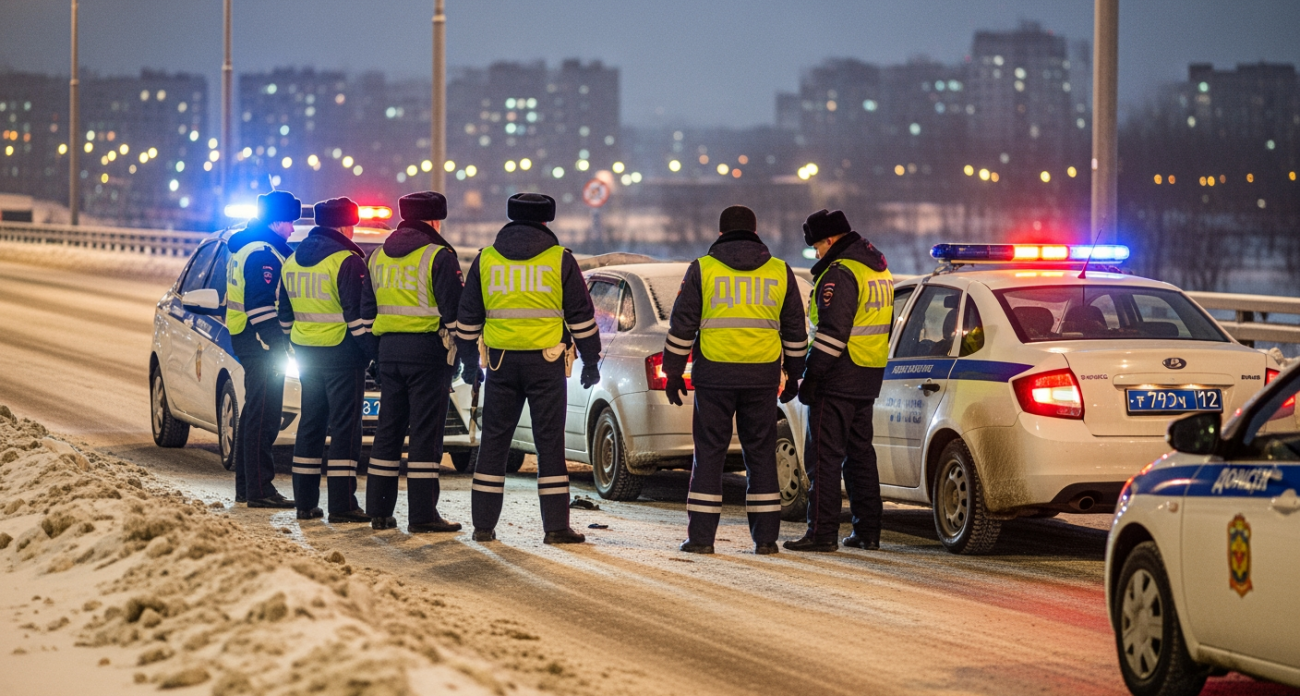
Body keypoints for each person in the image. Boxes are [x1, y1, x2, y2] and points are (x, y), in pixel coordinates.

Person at [661, 205, 807, 555]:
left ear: (721, 232)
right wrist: (795, 373)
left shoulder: (703, 269)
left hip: (715, 376)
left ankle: (700, 539)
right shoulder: (780, 272)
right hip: (762, 378)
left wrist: (673, 371)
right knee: (760, 456)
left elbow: (682, 326)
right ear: (755, 232)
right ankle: (766, 540)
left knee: (708, 454)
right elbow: (795, 331)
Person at [455, 193, 600, 544]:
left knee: (493, 444)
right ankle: (555, 528)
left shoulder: (486, 260)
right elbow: (581, 317)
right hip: (546, 363)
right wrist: (591, 360)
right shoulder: (559, 260)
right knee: (549, 445)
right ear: (545, 222)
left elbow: (468, 319)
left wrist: (468, 362)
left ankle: (483, 527)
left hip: (501, 364)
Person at [784, 209, 892, 553]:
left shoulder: (840, 274)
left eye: (817, 247)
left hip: (837, 376)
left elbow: (832, 335)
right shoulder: (876, 268)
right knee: (860, 455)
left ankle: (822, 532)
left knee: (824, 459)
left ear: (830, 241)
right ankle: (867, 531)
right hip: (868, 372)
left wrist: (811, 377)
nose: (817, 254)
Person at [363, 191, 464, 533]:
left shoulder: (377, 256)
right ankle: (422, 515)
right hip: (428, 356)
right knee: (425, 435)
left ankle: (378, 511)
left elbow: (367, 312)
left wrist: (375, 354)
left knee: (387, 433)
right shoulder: (439, 255)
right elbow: (453, 313)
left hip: (388, 354)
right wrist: (460, 351)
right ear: (434, 221)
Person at [277, 197, 376, 523]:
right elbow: (357, 318)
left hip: (306, 353)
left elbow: (285, 315)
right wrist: (370, 352)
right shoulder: (347, 260)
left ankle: (305, 503)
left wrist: (297, 344)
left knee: (311, 424)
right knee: (346, 429)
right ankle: (342, 505)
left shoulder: (292, 260)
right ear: (347, 225)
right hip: (342, 355)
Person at [225, 191, 299, 509]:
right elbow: (261, 308)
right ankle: (259, 489)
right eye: (290, 222)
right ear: (277, 221)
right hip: (260, 343)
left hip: (248, 339)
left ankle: (248, 488)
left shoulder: (250, 248)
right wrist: (278, 345)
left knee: (255, 413)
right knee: (264, 416)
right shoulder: (263, 254)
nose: (293, 229)